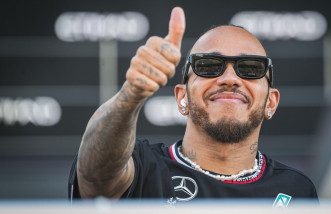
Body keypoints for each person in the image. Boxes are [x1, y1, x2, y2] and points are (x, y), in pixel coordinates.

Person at [68, 7, 318, 205]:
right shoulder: (142, 167)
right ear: (181, 98)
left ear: (271, 102)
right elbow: (95, 177)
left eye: (250, 68)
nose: (229, 79)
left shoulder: (297, 191)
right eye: (209, 66)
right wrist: (131, 93)